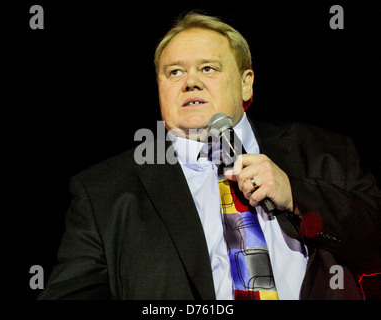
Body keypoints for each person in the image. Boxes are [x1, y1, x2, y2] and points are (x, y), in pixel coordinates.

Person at [38, 12, 381, 300]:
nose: (190, 82)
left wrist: (295, 194)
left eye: (208, 69)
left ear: (246, 84)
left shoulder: (324, 151)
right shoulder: (104, 190)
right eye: (174, 72)